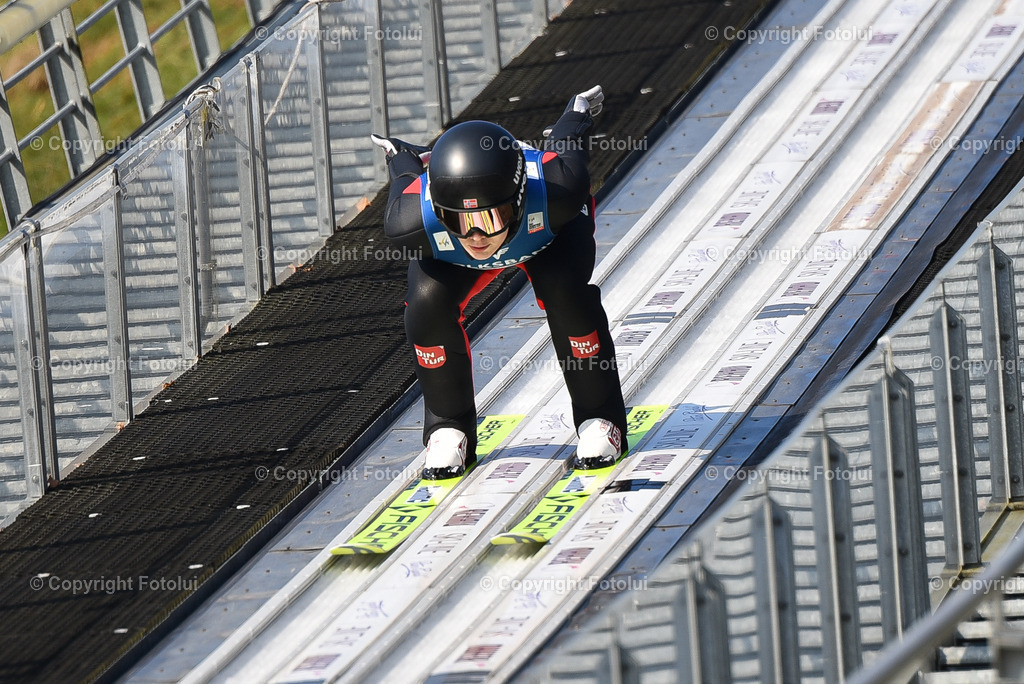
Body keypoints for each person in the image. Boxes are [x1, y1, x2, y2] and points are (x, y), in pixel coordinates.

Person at [372, 85, 628, 480]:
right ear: (439, 211)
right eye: (460, 220)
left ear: (520, 197)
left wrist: (575, 114)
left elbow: (568, 146)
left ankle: (599, 418)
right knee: (425, 305)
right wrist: (403, 156)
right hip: (474, 246)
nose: (477, 237)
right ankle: (447, 426)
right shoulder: (409, 220)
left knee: (568, 292)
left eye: (490, 218)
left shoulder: (558, 188)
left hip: (547, 239)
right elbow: (405, 176)